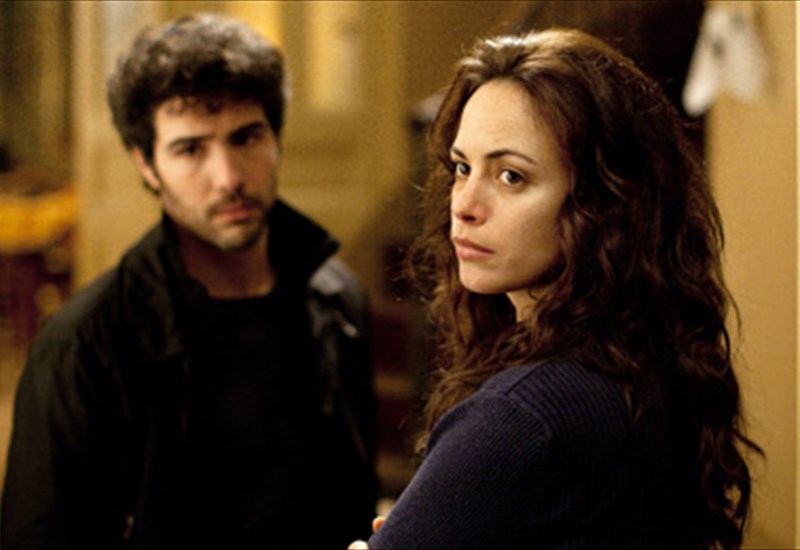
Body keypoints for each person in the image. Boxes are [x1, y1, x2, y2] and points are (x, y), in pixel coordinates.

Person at [352, 29, 760, 549]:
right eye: (462, 168)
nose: (465, 205)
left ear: (603, 203)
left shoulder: (520, 417)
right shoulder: (649, 364)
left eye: (511, 177)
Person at [2, 12, 377, 550]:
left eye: (246, 137)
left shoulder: (337, 298)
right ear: (147, 165)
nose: (228, 177)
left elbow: (351, 503)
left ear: (276, 139)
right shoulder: (82, 346)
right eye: (190, 149)